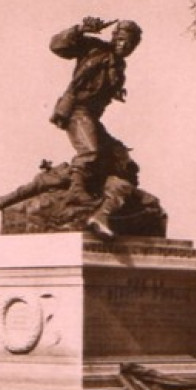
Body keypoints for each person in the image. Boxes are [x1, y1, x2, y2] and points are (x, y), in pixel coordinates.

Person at [48, 16, 143, 239]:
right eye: (121, 40)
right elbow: (57, 46)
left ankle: (102, 214)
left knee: (122, 161)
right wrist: (80, 29)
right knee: (90, 151)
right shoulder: (93, 47)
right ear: (113, 37)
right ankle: (76, 194)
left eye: (130, 44)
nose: (124, 46)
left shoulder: (119, 66)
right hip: (77, 110)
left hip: (92, 116)